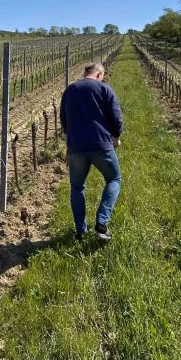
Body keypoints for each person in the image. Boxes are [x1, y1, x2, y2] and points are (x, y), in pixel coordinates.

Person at [59, 62, 124, 241]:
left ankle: (81, 231)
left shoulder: (70, 90)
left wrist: (69, 145)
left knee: (77, 187)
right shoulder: (104, 89)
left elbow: (64, 120)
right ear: (98, 74)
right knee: (114, 178)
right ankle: (101, 223)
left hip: (76, 148)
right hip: (100, 144)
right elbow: (116, 116)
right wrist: (116, 136)